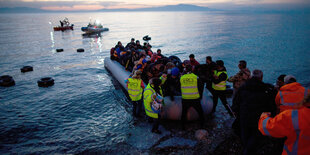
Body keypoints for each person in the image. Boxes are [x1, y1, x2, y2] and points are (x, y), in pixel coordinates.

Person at [232, 69, 277, 155]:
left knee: (245, 138)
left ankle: (246, 150)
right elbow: (272, 107)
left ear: (251, 77)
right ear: (261, 77)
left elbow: (235, 104)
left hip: (244, 118)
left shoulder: (243, 88)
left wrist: (238, 113)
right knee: (255, 140)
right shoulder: (267, 89)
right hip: (259, 119)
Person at [180, 64, 204, 129]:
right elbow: (201, 87)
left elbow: (180, 87)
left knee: (184, 112)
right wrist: (200, 96)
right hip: (195, 98)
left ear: (185, 69)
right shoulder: (196, 77)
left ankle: (183, 126)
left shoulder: (182, 78)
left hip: (185, 98)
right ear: (192, 69)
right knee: (200, 112)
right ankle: (202, 124)